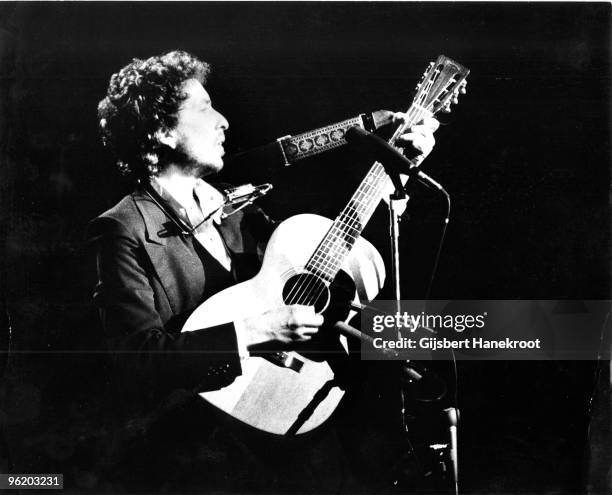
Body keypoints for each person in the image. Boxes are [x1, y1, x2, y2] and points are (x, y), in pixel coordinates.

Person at [89, 50, 438, 493]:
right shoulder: (122, 229)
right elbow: (136, 364)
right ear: (161, 131)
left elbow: (320, 273)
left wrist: (395, 177)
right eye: (203, 107)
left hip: (291, 423)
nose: (224, 121)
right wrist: (255, 331)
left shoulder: (235, 207)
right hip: (201, 452)